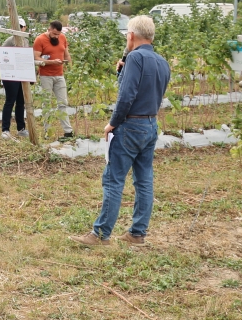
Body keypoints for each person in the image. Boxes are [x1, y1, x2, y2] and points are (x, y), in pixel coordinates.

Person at [72, 16, 170, 247]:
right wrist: (122, 72)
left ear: (131, 35)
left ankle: (100, 234)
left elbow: (126, 96)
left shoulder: (135, 57)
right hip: (150, 124)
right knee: (144, 180)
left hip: (130, 126)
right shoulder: (162, 61)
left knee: (113, 179)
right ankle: (137, 233)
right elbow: (148, 90)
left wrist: (113, 123)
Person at [34, 20, 73, 138]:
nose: (56, 36)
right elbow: (36, 58)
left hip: (60, 75)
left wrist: (70, 67)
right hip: (46, 76)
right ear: (49, 29)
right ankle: (47, 131)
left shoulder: (63, 38)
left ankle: (68, 131)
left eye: (58, 34)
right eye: (54, 34)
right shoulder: (40, 40)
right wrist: (51, 62)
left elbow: (66, 54)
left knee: (63, 103)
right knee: (47, 103)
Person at [1, 18, 29, 140]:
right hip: (11, 75)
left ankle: (21, 128)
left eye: (21, 27)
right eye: (17, 27)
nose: (19, 29)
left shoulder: (25, 41)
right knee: (10, 101)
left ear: (24, 28)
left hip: (22, 74)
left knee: (21, 102)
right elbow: (2, 55)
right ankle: (5, 129)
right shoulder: (10, 41)